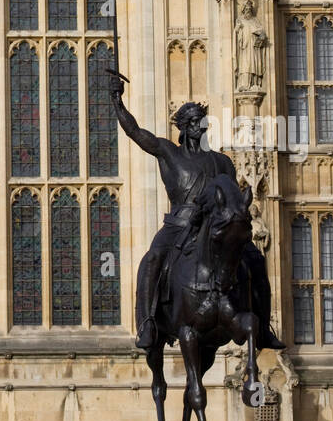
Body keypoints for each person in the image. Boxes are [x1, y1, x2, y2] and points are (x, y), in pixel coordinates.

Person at [108, 72, 284, 352]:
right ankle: (147, 325)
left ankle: (263, 328)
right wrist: (117, 101)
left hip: (212, 227)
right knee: (152, 261)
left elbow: (232, 198)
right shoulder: (169, 152)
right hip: (178, 225)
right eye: (193, 123)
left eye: (201, 122)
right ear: (183, 127)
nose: (199, 127)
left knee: (255, 261)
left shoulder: (221, 162)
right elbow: (137, 133)